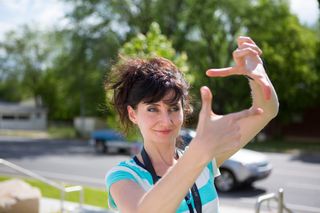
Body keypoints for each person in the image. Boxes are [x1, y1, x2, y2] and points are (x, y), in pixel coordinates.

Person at [105, 36, 279, 213]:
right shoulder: (124, 176)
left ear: (184, 110)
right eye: (152, 109)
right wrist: (199, 153)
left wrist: (256, 77)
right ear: (133, 114)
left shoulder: (203, 160)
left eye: (173, 108)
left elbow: (266, 111)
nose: (166, 121)